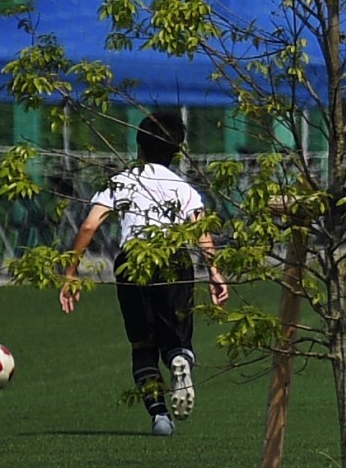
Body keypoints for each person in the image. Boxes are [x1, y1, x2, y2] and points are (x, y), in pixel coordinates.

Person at [58, 111, 229, 437]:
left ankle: (160, 417)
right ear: (176, 151)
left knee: (142, 345)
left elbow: (90, 225)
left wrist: (71, 273)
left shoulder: (123, 180)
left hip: (132, 261)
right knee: (178, 337)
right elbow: (201, 233)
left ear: (139, 146)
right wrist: (215, 272)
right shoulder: (183, 187)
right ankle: (179, 358)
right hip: (174, 260)